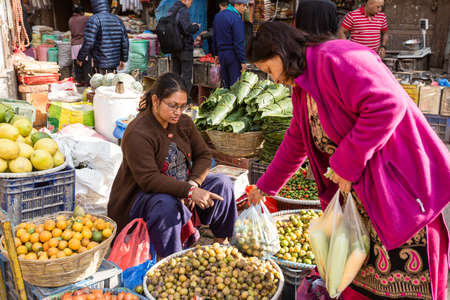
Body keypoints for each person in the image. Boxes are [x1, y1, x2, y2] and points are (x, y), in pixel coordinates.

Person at [247, 22, 449, 300]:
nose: (272, 80)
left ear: (280, 52)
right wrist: (267, 186)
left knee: (407, 282)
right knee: (362, 281)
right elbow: (297, 139)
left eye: (269, 70)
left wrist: (344, 165)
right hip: (364, 198)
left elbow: (387, 105)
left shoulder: (336, 58)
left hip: (399, 192)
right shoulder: (302, 85)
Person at [108, 73, 237, 258]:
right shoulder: (138, 132)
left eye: (182, 106)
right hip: (142, 197)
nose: (178, 111)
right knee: (166, 205)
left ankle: (222, 241)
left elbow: (204, 155)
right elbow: (149, 180)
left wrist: (193, 184)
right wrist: (189, 191)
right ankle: (172, 259)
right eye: (172, 105)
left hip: (183, 186)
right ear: (155, 100)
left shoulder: (183, 123)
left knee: (222, 183)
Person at [77, 0, 129, 74]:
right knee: (112, 83)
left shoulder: (94, 19)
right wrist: (123, 59)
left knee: (101, 83)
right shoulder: (118, 20)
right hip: (114, 62)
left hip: (100, 62)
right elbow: (125, 42)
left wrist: (80, 58)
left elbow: (89, 42)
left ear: (94, 6)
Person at [168, 0, 200, 103]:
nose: (191, 4)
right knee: (186, 75)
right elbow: (187, 29)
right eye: (191, 1)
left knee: (175, 74)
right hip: (184, 48)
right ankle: (185, 100)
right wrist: (196, 26)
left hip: (174, 47)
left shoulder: (171, 9)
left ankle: (173, 97)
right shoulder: (183, 10)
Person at [213, 0, 248, 88]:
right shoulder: (236, 18)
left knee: (225, 84)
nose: (246, 8)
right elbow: (239, 43)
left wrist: (216, 54)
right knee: (234, 86)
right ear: (237, 5)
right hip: (233, 56)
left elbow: (215, 37)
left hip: (222, 55)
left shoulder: (218, 16)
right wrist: (243, 61)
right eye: (244, 6)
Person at [69, 5, 90, 86]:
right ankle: (86, 81)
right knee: (85, 64)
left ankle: (79, 80)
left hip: (74, 44)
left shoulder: (71, 19)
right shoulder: (85, 18)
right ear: (82, 12)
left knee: (77, 64)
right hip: (83, 43)